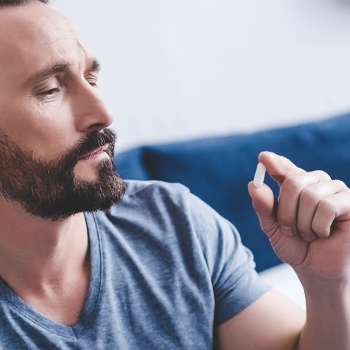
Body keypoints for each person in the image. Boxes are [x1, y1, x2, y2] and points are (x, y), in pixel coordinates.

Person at [0, 0, 349, 349]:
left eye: (91, 79)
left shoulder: (173, 223)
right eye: (50, 89)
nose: (103, 112)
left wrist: (326, 287)